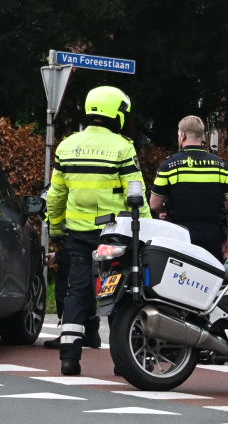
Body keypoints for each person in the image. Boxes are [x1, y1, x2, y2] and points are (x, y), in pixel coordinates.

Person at [44, 85, 149, 376]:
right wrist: (149, 230)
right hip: (114, 234)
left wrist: (55, 228)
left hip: (78, 234)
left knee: (77, 292)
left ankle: (69, 358)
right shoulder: (122, 147)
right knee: (118, 293)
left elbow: (55, 196)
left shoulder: (67, 146)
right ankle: (122, 361)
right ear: (114, 111)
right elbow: (135, 193)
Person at [149, 115, 228, 260]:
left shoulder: (169, 166)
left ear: (182, 135)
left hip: (179, 235)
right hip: (212, 236)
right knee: (213, 278)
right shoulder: (220, 166)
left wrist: (162, 212)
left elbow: (154, 204)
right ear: (201, 136)